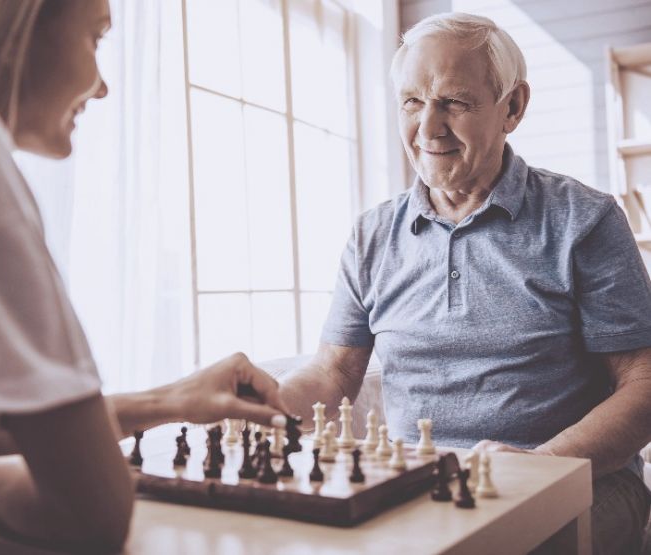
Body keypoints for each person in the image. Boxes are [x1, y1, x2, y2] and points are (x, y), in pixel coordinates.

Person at [0, 0, 288, 552]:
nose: (104, 87)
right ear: (19, 26)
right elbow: (91, 512)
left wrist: (168, 401)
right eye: (96, 39)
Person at [279, 12, 651, 554]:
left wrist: (542, 467)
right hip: (417, 488)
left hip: (576, 482)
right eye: (412, 101)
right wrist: (263, 403)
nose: (428, 129)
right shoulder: (371, 234)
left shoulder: (585, 220)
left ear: (513, 108)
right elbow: (334, 370)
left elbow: (643, 385)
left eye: (455, 101)